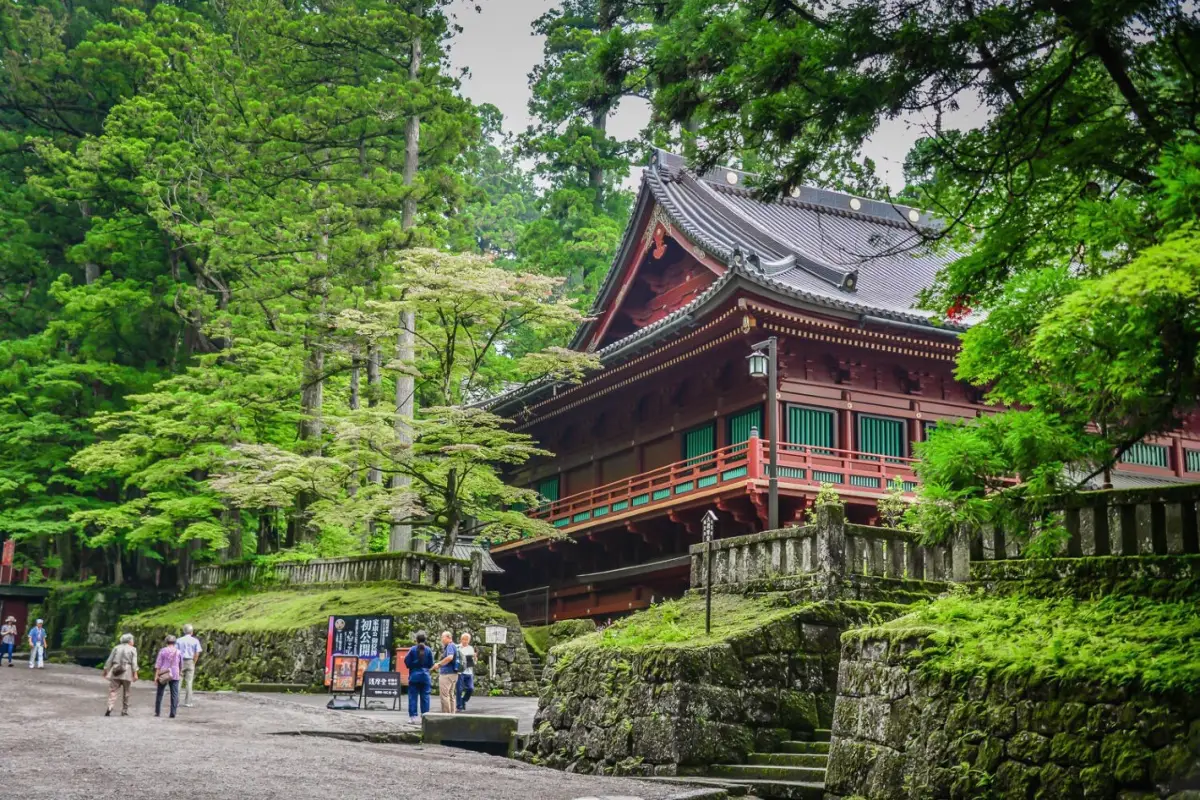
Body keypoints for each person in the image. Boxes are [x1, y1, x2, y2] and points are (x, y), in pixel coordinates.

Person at [102, 633, 139, 717]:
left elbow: (109, 660)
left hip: (115, 670)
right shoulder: (133, 649)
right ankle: (124, 710)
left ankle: (110, 706)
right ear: (130, 641)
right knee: (126, 692)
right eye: (132, 640)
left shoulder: (116, 648)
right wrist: (135, 673)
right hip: (127, 671)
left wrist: (105, 670)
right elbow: (134, 662)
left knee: (113, 690)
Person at [403, 630, 434, 723]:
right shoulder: (428, 650)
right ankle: (425, 717)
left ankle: (413, 717)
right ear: (425, 640)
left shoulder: (412, 649)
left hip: (414, 676)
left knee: (413, 697)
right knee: (425, 697)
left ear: (416, 640)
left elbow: (407, 661)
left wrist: (412, 666)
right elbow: (431, 663)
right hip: (425, 676)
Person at [154, 634, 182, 718]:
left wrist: (156, 676)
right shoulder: (178, 652)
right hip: (175, 673)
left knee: (160, 693)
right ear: (174, 642)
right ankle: (173, 712)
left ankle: (157, 712)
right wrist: (180, 672)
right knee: (174, 694)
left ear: (166, 642)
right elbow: (181, 664)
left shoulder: (162, 651)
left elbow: (158, 664)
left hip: (164, 673)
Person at [176, 623, 203, 708]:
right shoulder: (195, 641)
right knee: (189, 682)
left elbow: (176, 652)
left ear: (184, 631)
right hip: (190, 661)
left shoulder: (179, 640)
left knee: (178, 681)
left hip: (180, 661)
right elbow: (197, 653)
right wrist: (194, 662)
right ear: (192, 632)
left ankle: (176, 701)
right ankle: (188, 702)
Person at [435, 630, 458, 714]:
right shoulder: (454, 646)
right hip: (454, 673)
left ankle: (446, 715)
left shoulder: (450, 646)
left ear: (448, 637)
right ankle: (452, 715)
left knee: (444, 695)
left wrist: (439, 664)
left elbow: (450, 657)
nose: (441, 639)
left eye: (443, 637)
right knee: (451, 695)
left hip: (447, 674)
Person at [455, 632, 476, 712]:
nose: (465, 641)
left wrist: (475, 658)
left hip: (469, 671)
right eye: (463, 639)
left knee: (470, 688)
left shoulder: (471, 648)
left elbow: (474, 661)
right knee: (459, 689)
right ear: (461, 639)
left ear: (469, 640)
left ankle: (463, 700)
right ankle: (459, 706)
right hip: (460, 672)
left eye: (467, 640)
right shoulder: (457, 647)